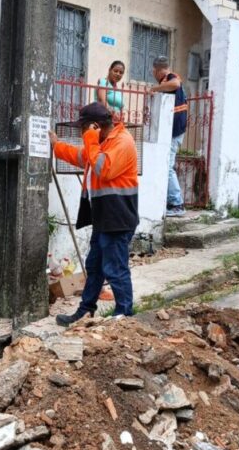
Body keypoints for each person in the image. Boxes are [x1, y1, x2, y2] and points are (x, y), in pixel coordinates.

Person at [49, 102, 139, 325]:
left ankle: (124, 315)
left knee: (115, 268)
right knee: (95, 266)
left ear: (94, 126)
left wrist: (90, 138)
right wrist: (56, 146)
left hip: (118, 218)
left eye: (83, 129)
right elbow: (80, 157)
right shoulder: (102, 143)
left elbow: (103, 169)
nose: (81, 134)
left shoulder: (122, 141)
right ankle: (86, 310)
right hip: (104, 218)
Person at [150, 56, 188, 217]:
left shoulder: (171, 78)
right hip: (173, 130)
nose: (153, 74)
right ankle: (171, 201)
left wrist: (154, 89)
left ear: (157, 70)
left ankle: (177, 204)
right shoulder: (165, 82)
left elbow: (175, 84)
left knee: (168, 167)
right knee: (166, 166)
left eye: (153, 71)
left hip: (175, 130)